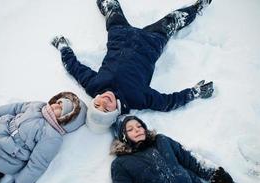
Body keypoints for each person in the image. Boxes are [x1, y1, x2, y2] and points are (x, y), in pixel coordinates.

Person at [51, 0, 214, 132]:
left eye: (97, 104)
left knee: (111, 7)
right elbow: (167, 102)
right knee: (174, 20)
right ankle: (196, 8)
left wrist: (63, 47)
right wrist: (195, 92)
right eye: (107, 109)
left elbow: (74, 68)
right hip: (151, 42)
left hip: (119, 33)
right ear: (115, 112)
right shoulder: (137, 99)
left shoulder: (94, 86)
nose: (104, 102)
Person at [110, 115, 247, 183]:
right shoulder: (121, 163)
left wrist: (218, 176)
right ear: (123, 136)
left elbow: (191, 160)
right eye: (130, 129)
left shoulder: (161, 141)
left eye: (139, 126)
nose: (137, 129)